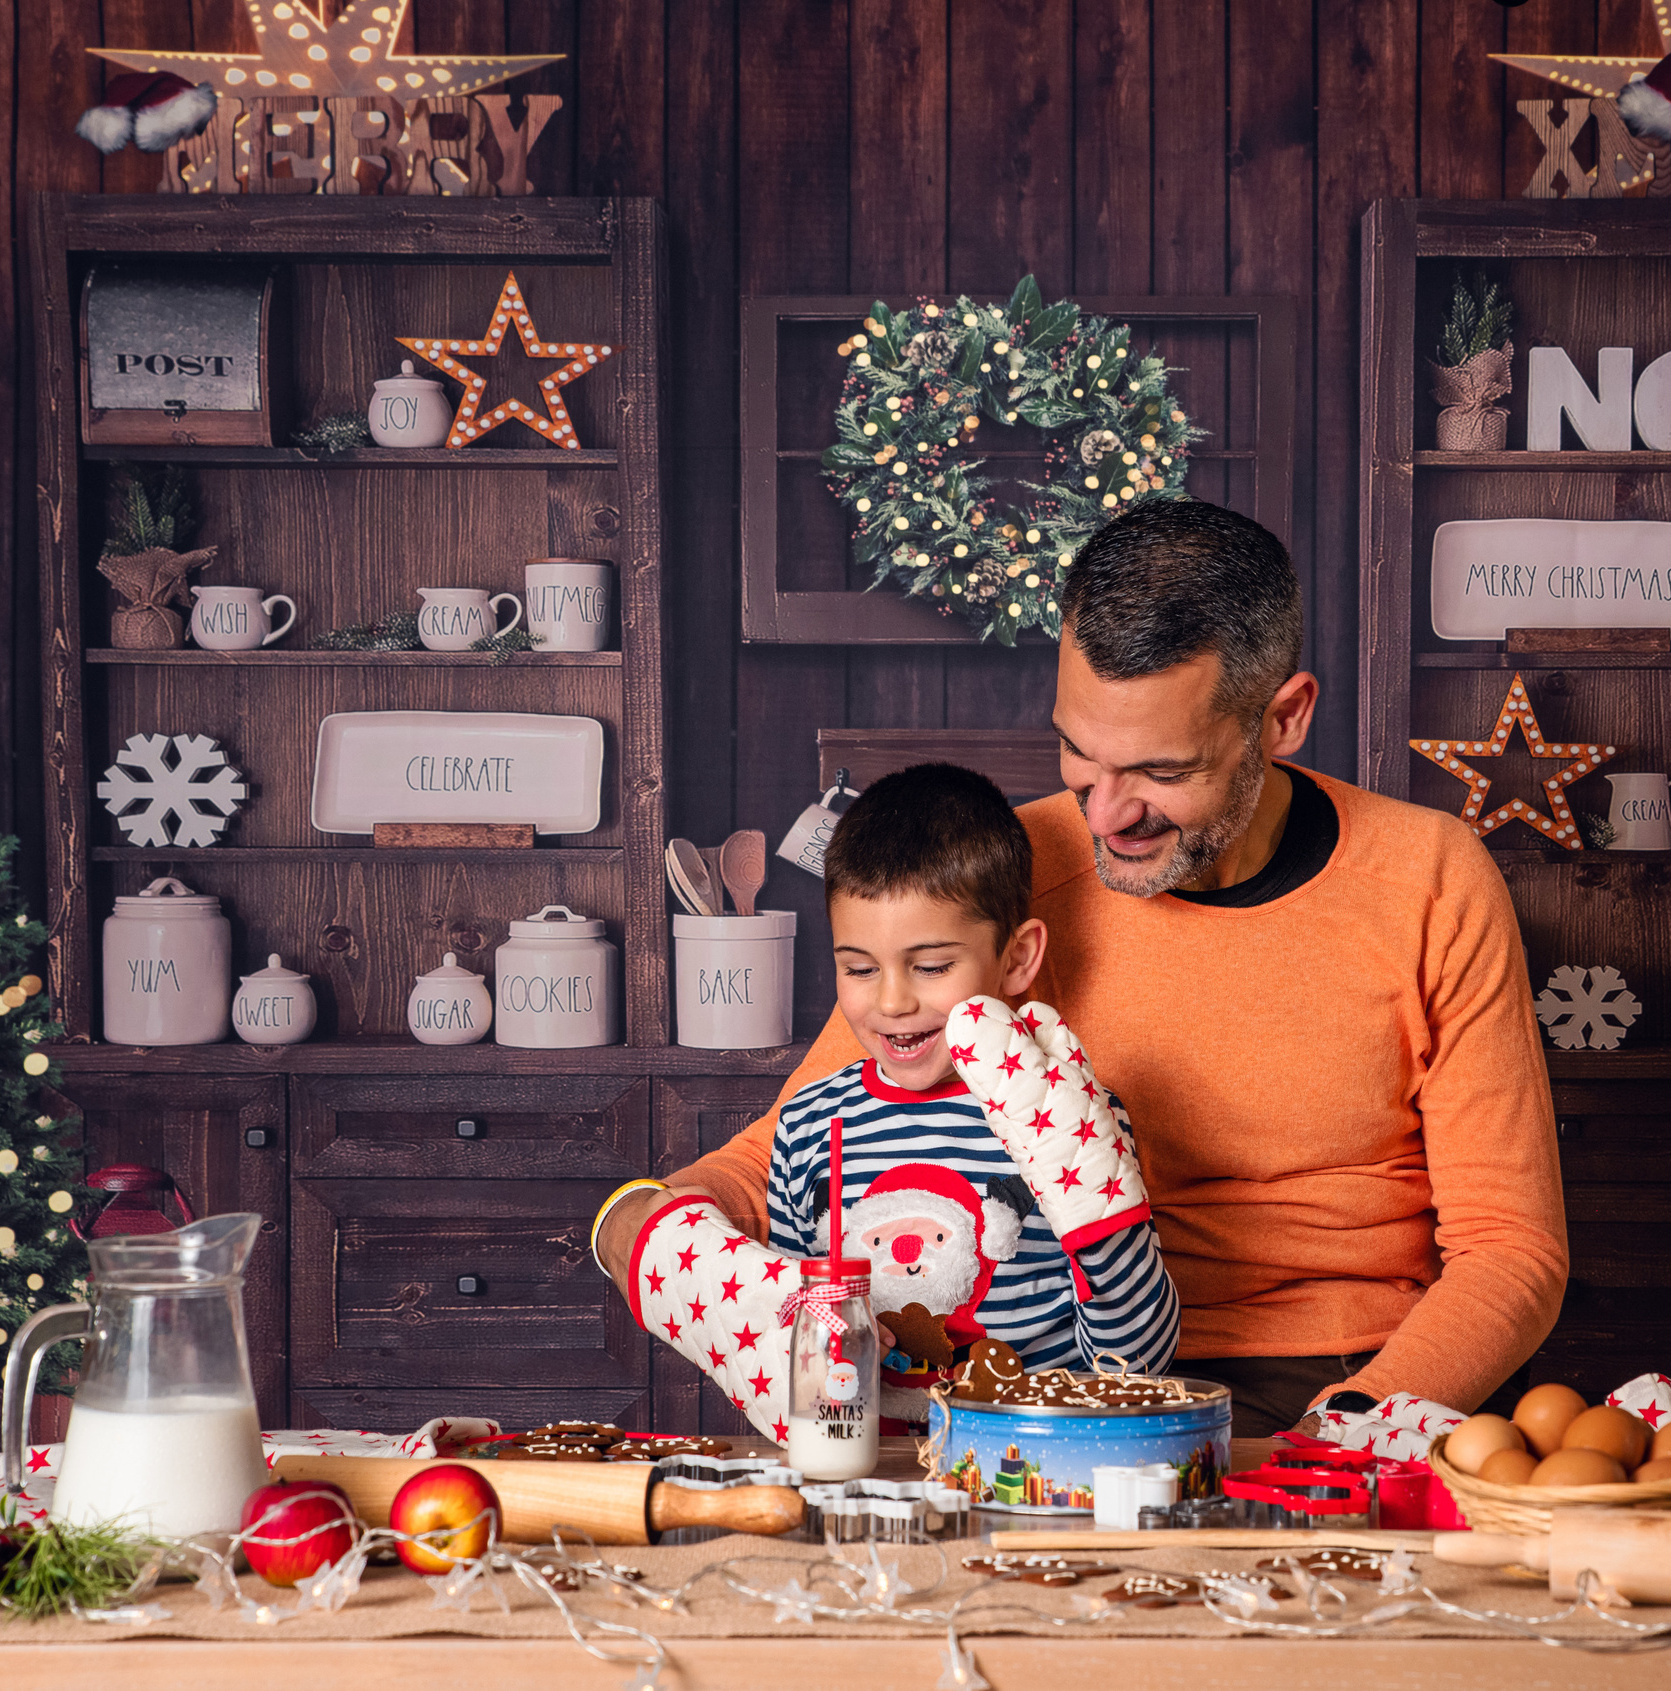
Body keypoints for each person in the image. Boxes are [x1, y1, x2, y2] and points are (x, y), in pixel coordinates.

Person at [610, 497, 1566, 1437]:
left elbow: (1511, 1250)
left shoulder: (1428, 878)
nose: (1104, 815)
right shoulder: (1005, 872)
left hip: (1336, 1381)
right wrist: (644, 1222)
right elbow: (795, 1137)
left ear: (1282, 719)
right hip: (1055, 1392)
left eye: (1160, 770)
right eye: (1077, 749)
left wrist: (1349, 1428)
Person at [599, 763, 1177, 1435]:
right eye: (860, 967)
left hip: (1033, 1465)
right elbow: (799, 1356)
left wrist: (1104, 1218)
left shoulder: (1071, 1115)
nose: (894, 1001)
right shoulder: (810, 1123)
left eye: (931, 966)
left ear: (1017, 959)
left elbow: (1138, 1363)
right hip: (863, 1472)